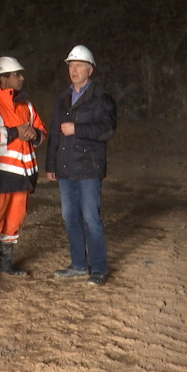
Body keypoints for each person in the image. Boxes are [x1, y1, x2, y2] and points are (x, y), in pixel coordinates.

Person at [0, 56, 47, 283]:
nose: (21, 78)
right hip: (0, 173)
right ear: (3, 78)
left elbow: (41, 130)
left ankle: (4, 265)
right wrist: (15, 133)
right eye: (16, 74)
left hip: (23, 173)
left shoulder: (26, 105)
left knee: (15, 220)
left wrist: (36, 135)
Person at [46, 45, 117, 286]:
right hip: (66, 168)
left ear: (90, 70)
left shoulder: (100, 98)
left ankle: (98, 268)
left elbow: (107, 129)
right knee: (70, 217)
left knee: (90, 217)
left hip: (89, 167)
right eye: (70, 66)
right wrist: (50, 164)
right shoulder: (62, 99)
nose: (73, 70)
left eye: (78, 66)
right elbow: (54, 134)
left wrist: (78, 129)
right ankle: (78, 265)